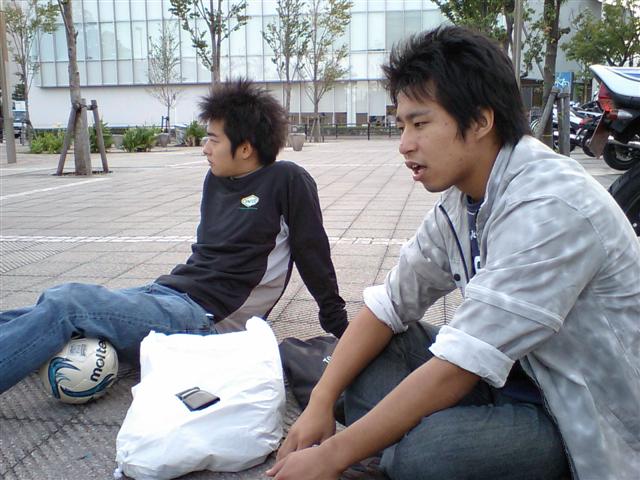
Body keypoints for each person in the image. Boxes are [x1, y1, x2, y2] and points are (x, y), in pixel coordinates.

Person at [267, 26, 640, 480]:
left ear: (480, 121)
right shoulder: (461, 201)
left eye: (420, 124)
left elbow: (462, 363)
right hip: (506, 380)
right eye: (401, 125)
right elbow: (388, 306)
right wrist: (321, 403)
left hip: (571, 413)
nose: (404, 144)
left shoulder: (551, 206)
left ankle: (407, 453)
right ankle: (405, 451)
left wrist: (331, 455)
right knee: (376, 348)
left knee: (430, 455)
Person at [0, 79, 348, 394]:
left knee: (68, 305)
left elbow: (313, 254)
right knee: (43, 305)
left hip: (204, 320)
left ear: (245, 148)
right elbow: (207, 256)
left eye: (214, 139)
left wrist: (340, 325)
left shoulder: (287, 180)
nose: (205, 148)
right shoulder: (216, 180)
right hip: (169, 294)